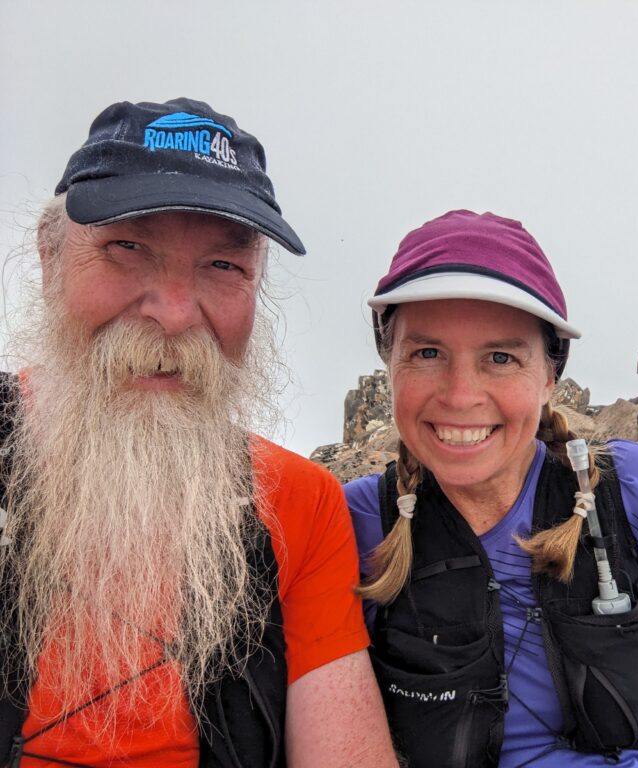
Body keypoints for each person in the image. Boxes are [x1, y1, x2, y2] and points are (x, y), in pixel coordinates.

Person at [0, 98, 398, 767]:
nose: (176, 314)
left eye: (223, 266)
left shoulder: (303, 503)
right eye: (127, 247)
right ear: (49, 258)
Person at [344, 210, 638, 768]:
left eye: (501, 357)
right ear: (390, 364)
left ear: (550, 375)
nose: (460, 395)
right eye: (427, 353)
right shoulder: (352, 525)